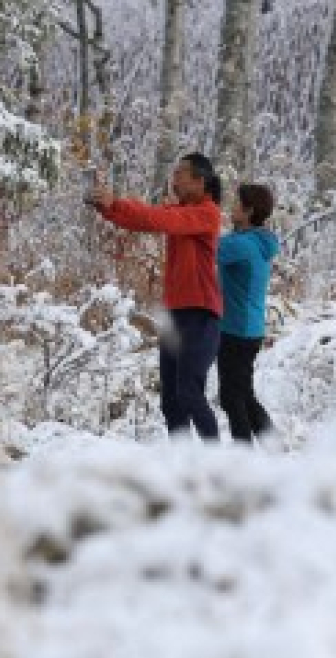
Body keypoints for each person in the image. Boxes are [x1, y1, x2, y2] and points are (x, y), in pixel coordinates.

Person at [87, 153, 223, 440]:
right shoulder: (180, 211)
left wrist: (115, 203)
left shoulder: (207, 213)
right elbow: (144, 219)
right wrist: (107, 207)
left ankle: (217, 461)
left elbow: (159, 219)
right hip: (175, 317)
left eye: (180, 173)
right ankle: (183, 462)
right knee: (171, 401)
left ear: (200, 181)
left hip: (201, 315)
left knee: (189, 392)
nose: (174, 178)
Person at [217, 183, 279, 443]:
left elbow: (207, 249)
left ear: (249, 211)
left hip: (236, 330)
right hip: (249, 328)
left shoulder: (242, 245)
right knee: (242, 394)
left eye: (236, 203)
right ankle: (273, 444)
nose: (231, 208)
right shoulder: (259, 242)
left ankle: (245, 456)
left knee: (232, 398)